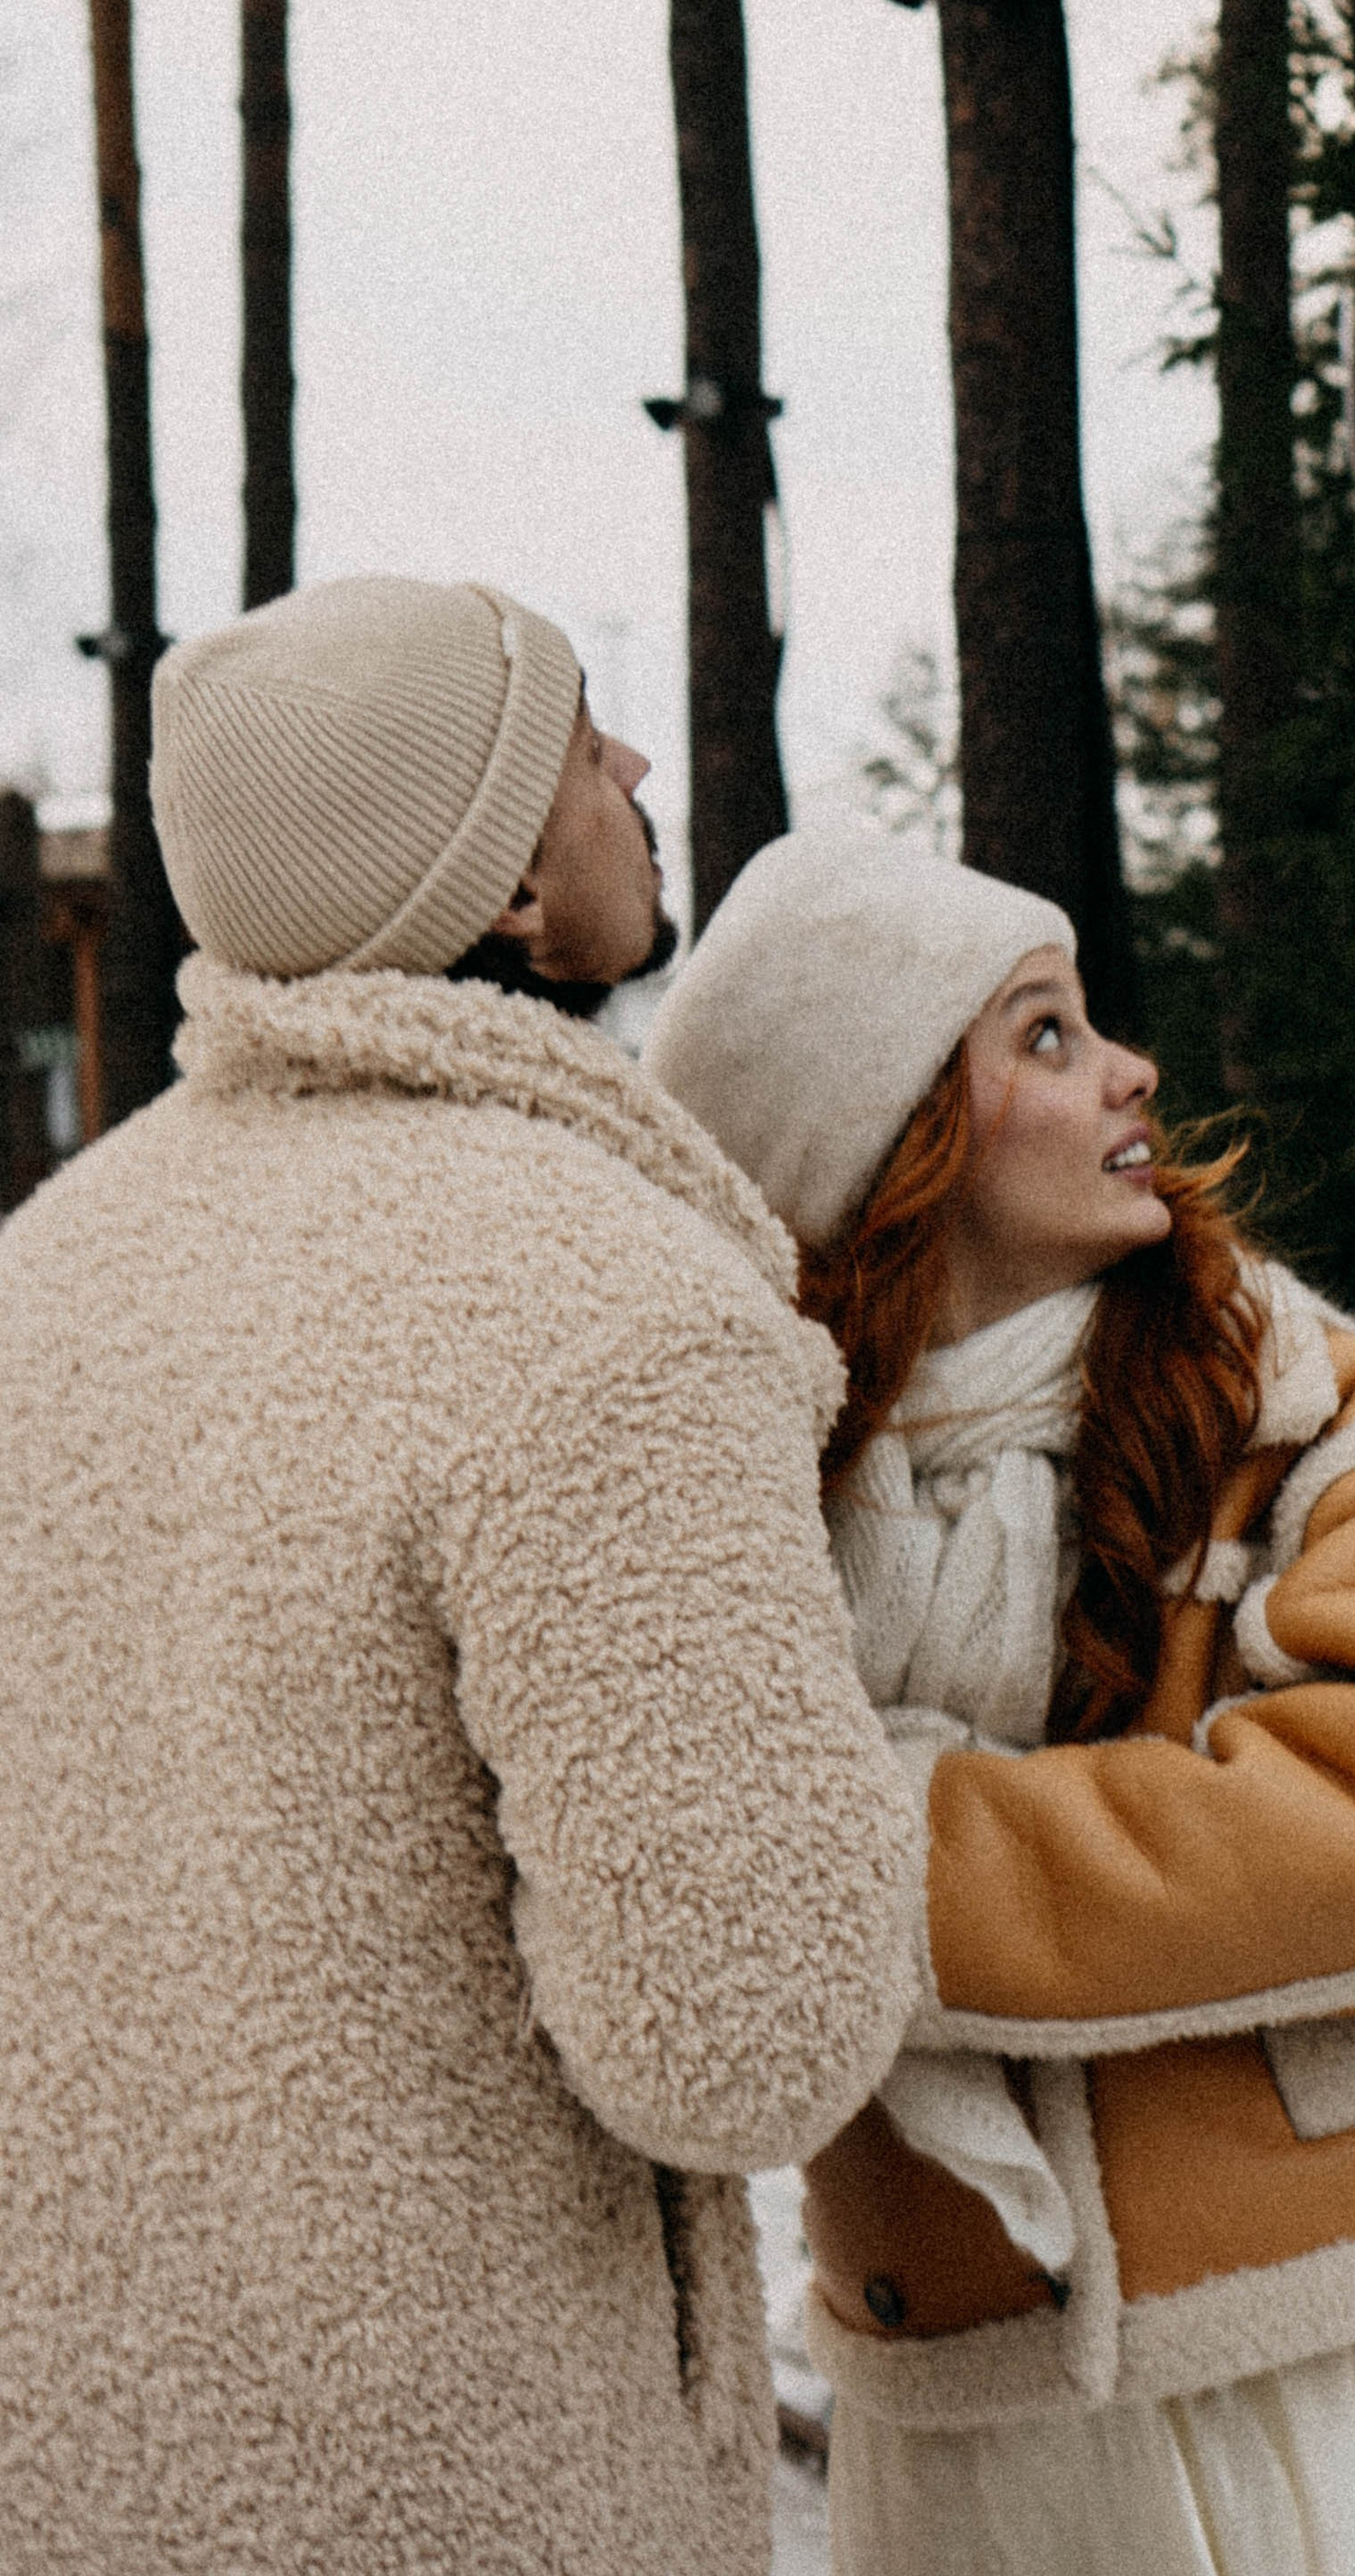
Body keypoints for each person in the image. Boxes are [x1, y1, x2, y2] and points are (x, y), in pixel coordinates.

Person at [0, 575, 920, 2576]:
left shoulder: (42, 1280)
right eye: (589, 745)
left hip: (63, 2447)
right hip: (452, 2475)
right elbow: (742, 2026)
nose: (640, 771)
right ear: (509, 885)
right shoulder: (602, 1309)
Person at [649, 832, 1355, 2576]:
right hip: (969, 2400)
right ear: (892, 1136)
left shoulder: (1292, 1394)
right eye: (1044, 1036)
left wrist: (886, 1847)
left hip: (1311, 2371)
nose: (1132, 1066)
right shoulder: (749, 1501)